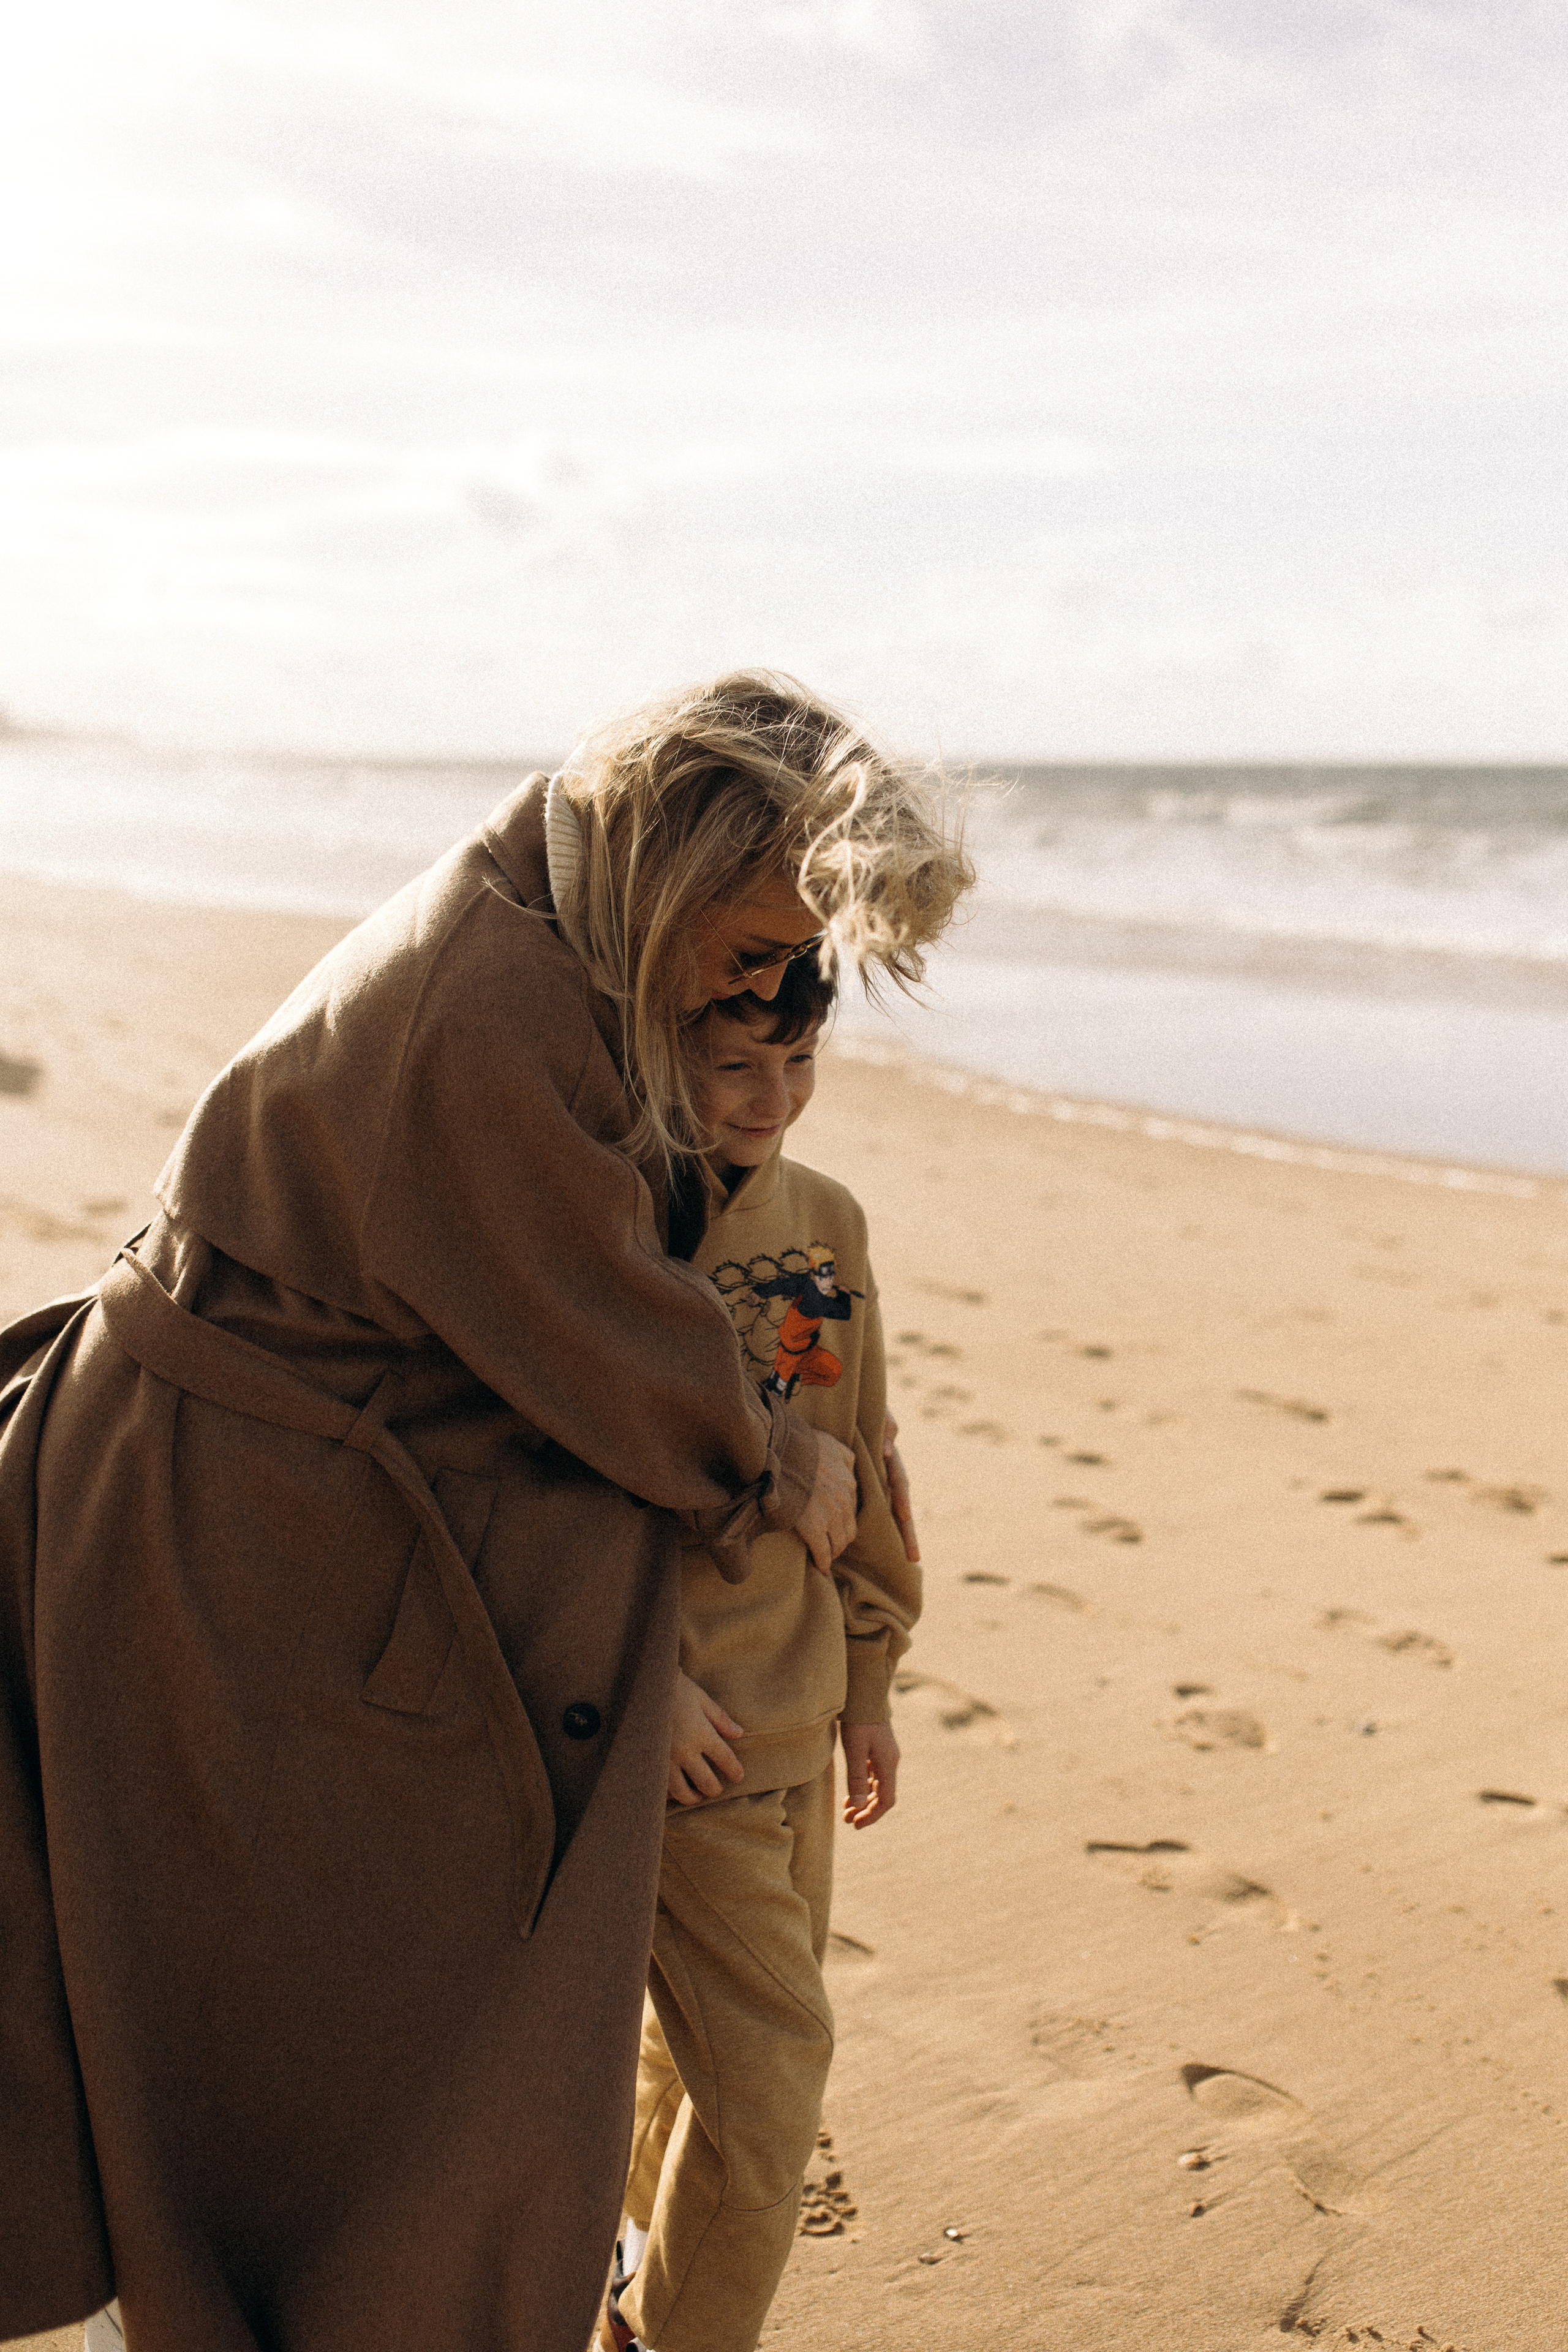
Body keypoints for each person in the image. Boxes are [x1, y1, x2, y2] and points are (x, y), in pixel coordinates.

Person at [0, 673, 970, 2352]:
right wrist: (770, 1451)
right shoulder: (492, 995)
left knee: (299, 1998)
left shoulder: (560, 931)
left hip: (279, 1482)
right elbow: (590, 1314)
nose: (754, 989)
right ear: (683, 859)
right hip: (207, 1506)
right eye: (754, 944)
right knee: (254, 1999)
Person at [601, 952, 919, 2352]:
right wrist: (638, 1687)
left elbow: (867, 1460)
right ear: (666, 1051)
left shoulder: (829, 1223)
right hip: (681, 1740)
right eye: (734, 1065)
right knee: (777, 2073)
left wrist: (870, 1682)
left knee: (691, 2062)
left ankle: (619, 2289)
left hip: (801, 1718)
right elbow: (562, 1497)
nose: (770, 1097)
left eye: (796, 1063)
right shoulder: (617, 1232)